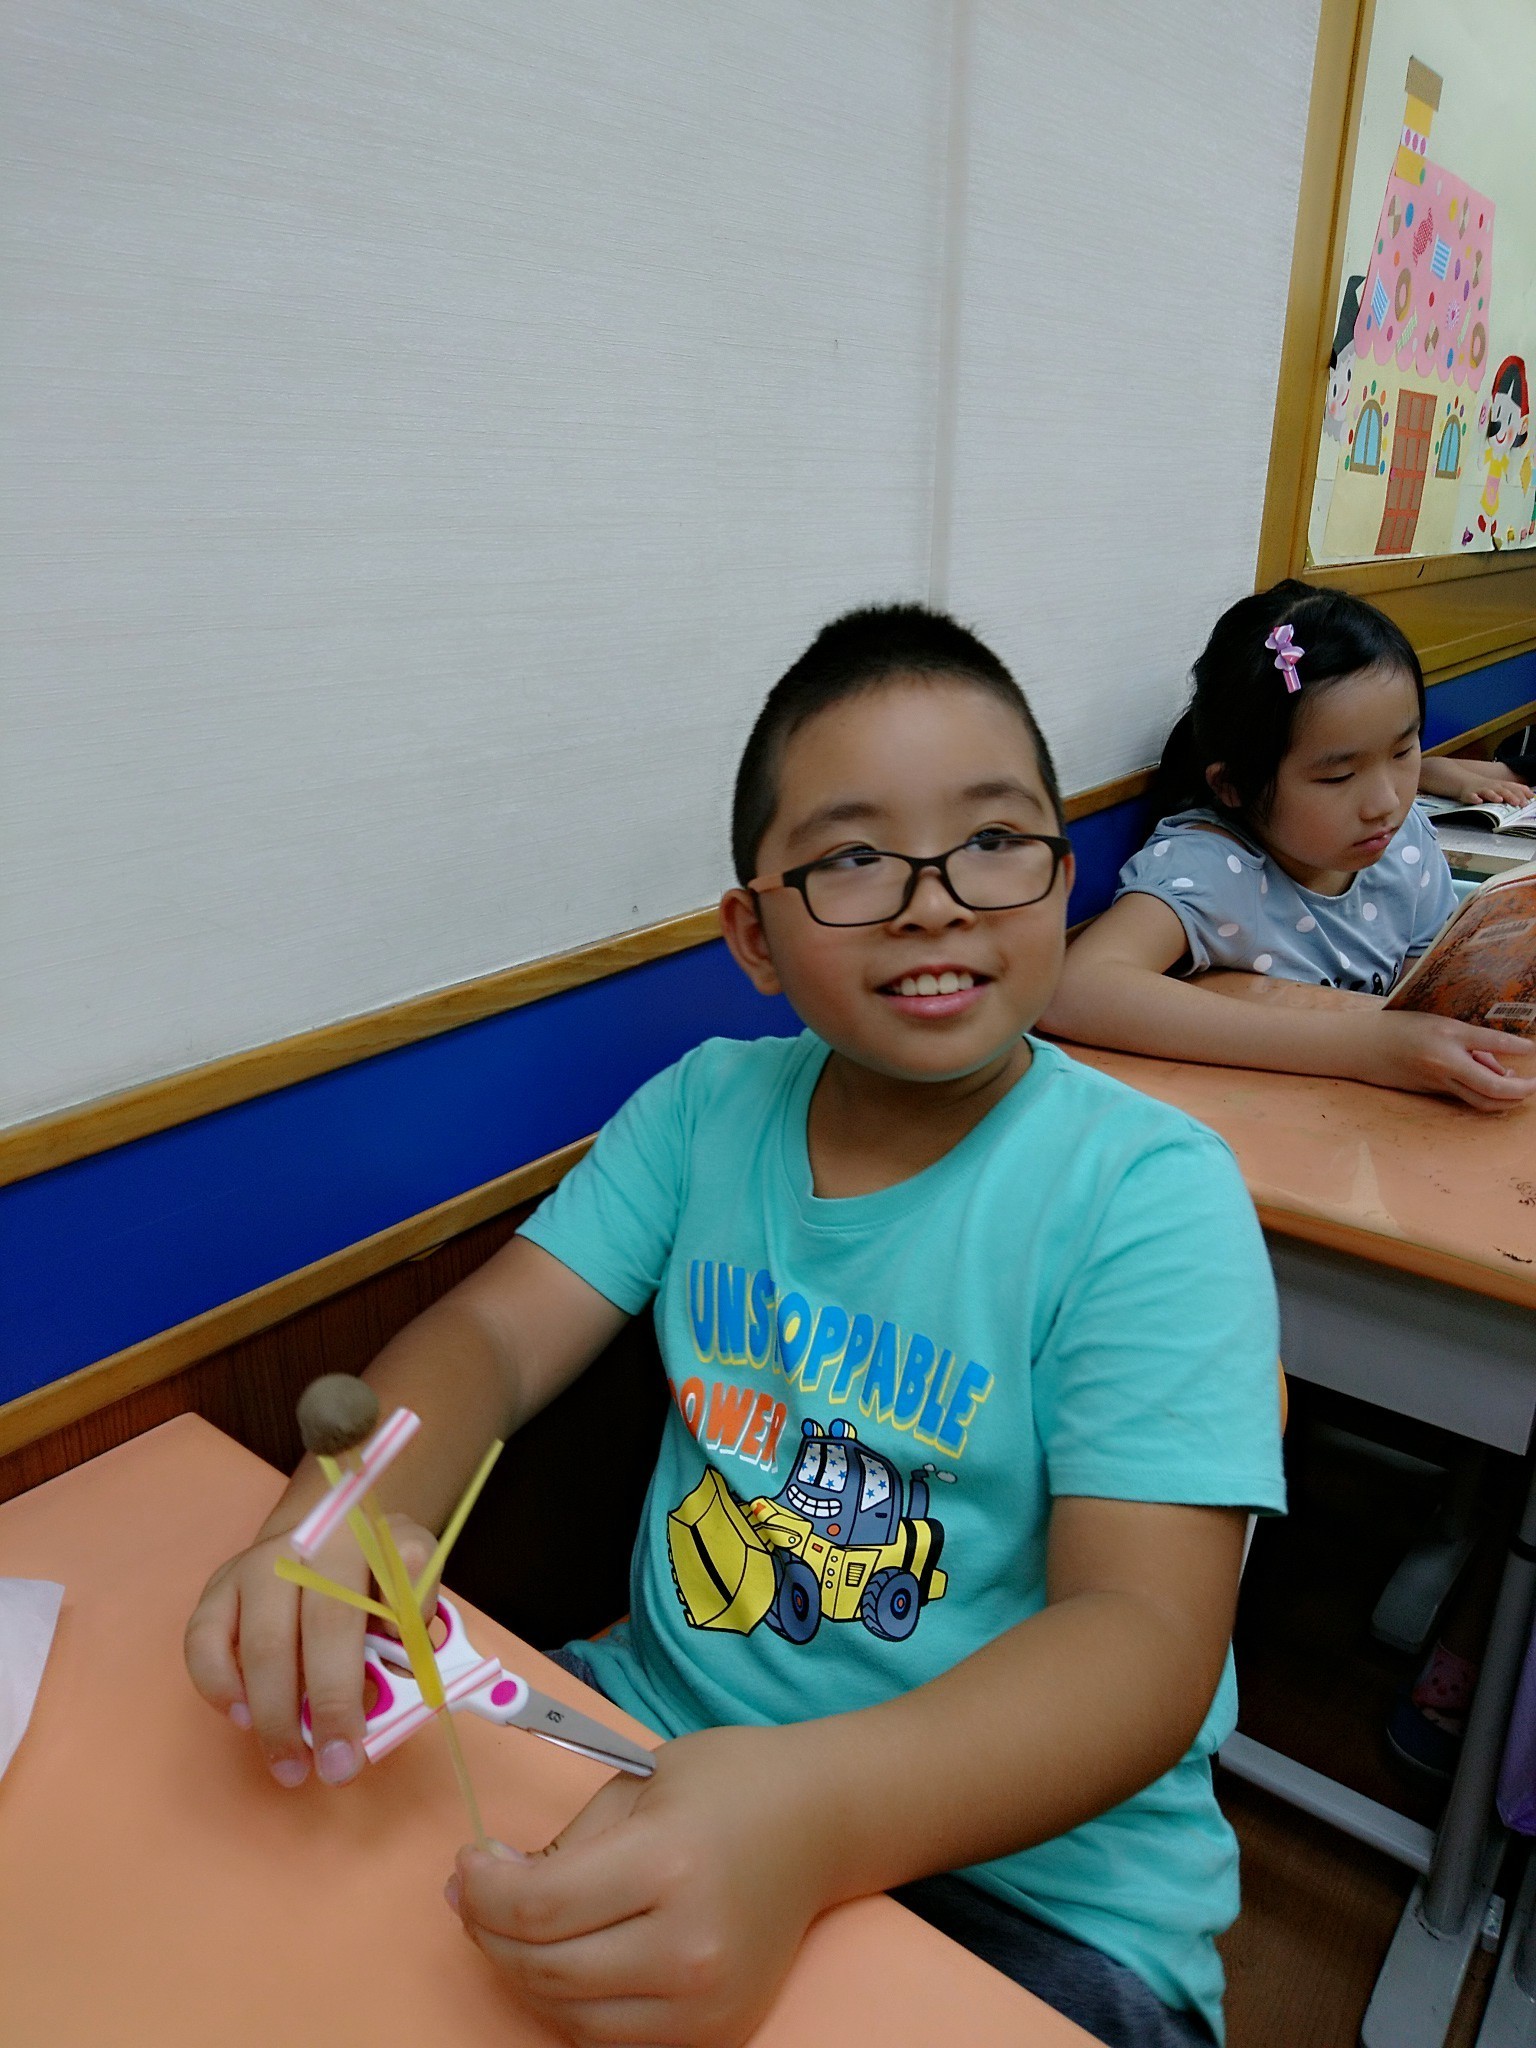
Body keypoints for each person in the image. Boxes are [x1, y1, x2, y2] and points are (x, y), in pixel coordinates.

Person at [185, 605, 1284, 2048]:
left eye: (994, 838)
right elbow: (493, 1341)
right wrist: (342, 1518)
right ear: (754, 934)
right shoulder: (703, 1112)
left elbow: (1143, 1639)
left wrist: (814, 1815)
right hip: (645, 1741)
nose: (934, 901)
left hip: (1034, 1886)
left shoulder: (1149, 1194)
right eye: (853, 857)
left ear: (1062, 877)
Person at [1044, 581, 1536, 1113]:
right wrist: (1360, 1047)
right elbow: (1074, 990)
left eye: (1402, 752)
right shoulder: (1212, 866)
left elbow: (1421, 991)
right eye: (1338, 777)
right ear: (1234, 785)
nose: (1387, 802)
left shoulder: (1404, 843)